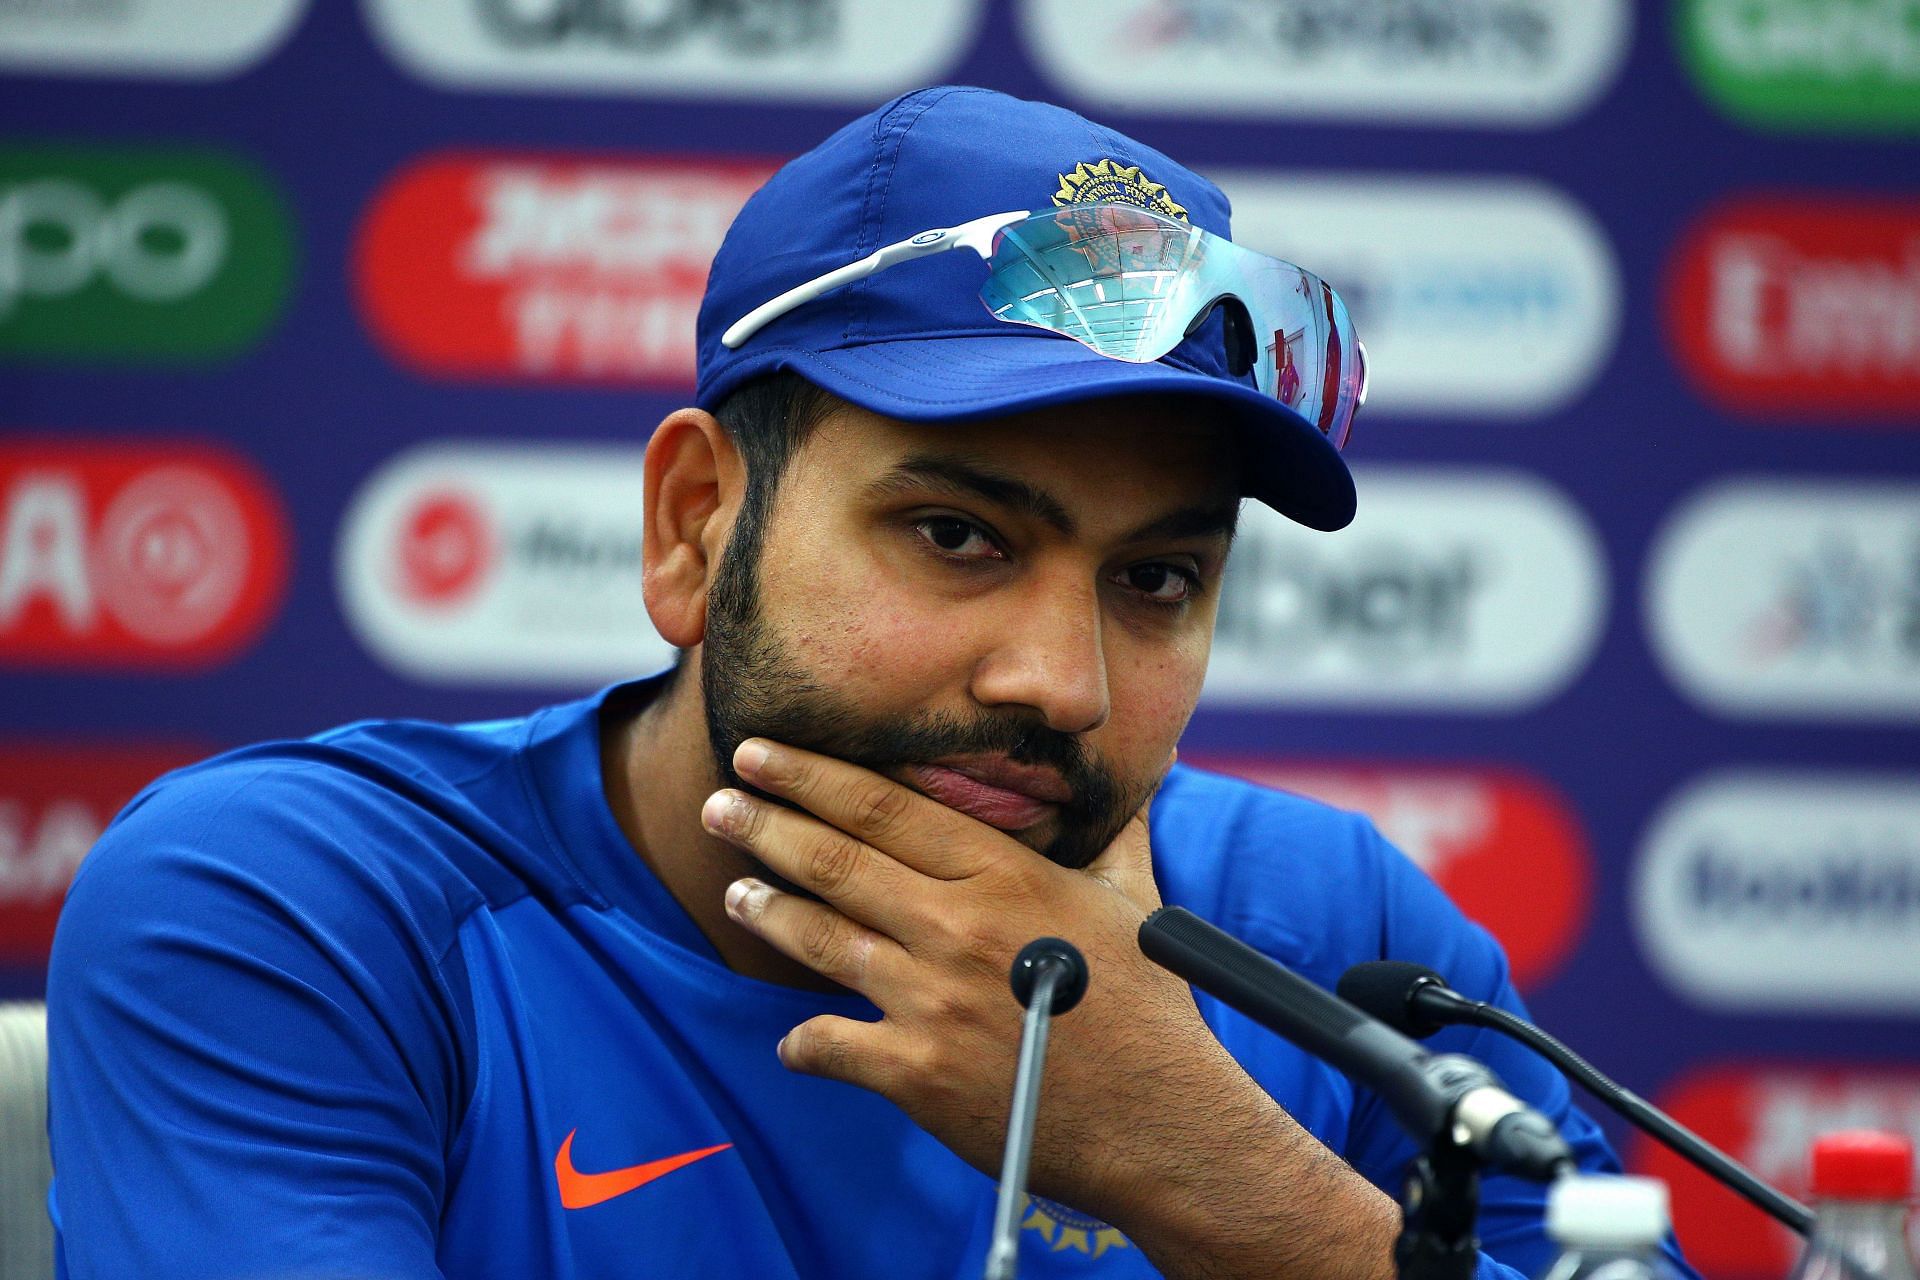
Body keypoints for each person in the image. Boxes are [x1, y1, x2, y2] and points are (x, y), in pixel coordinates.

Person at [47, 86, 1695, 1280]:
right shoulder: (303, 904)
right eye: (959, 536)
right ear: (698, 526)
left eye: (1158, 580)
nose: (1061, 680)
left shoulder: (1323, 927)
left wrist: (1212, 1175)